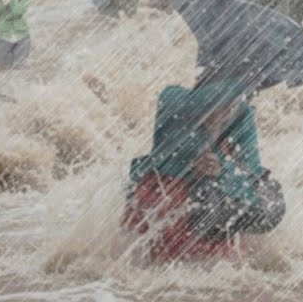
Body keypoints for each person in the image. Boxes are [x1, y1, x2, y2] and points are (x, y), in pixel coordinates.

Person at [120, 74, 286, 262]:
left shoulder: (243, 115)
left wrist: (221, 168)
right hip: (165, 193)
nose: (226, 110)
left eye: (234, 102)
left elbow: (250, 169)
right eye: (219, 102)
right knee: (145, 260)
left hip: (213, 204)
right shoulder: (175, 100)